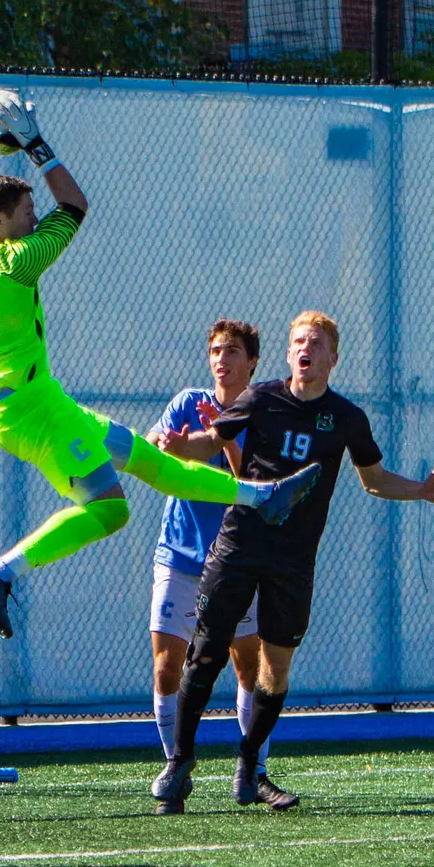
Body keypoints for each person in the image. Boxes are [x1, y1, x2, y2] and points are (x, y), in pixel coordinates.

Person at [0, 93, 322, 638]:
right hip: (31, 415)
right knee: (112, 511)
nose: (34, 218)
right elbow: (74, 205)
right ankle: (0, 572)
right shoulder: (15, 263)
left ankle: (264, 497)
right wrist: (36, 145)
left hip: (40, 402)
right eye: (25, 214)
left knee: (148, 462)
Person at [149, 310, 434, 811]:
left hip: (292, 562)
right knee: (203, 652)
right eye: (297, 341)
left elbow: (374, 479)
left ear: (332, 357)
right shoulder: (262, 397)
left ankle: (249, 762)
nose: (303, 348)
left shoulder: (347, 418)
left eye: (314, 342)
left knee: (275, 670)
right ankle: (179, 762)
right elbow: (217, 438)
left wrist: (421, 490)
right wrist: (184, 445)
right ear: (288, 352)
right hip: (237, 546)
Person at [146, 319, 298, 814]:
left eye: (232, 351)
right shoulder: (188, 401)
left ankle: (254, 771)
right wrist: (163, 443)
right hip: (182, 556)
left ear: (252, 361)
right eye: (215, 350)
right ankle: (176, 770)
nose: (221, 359)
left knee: (247, 668)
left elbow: (251, 483)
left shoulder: (262, 411)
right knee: (169, 667)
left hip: (238, 558)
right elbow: (157, 448)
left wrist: (223, 432)